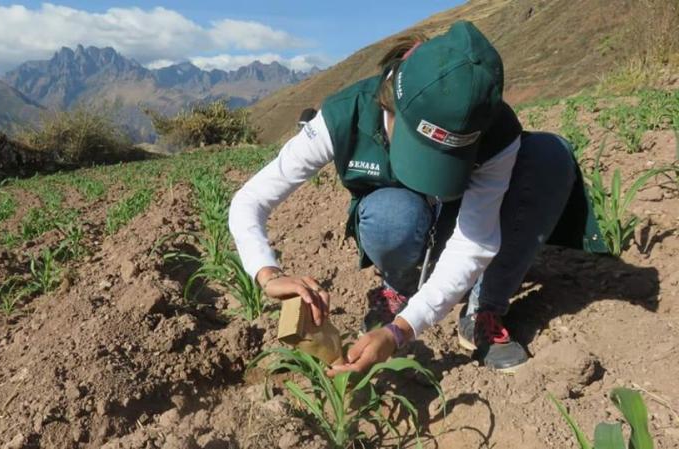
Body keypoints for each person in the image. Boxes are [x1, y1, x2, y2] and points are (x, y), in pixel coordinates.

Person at [228, 21, 608, 375]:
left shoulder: (494, 129)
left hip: (457, 221)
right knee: (391, 216)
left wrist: (399, 332)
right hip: (405, 221)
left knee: (549, 155)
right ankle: (400, 285)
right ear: (390, 105)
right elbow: (250, 201)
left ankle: (484, 308)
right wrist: (268, 273)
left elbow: (473, 241)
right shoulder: (346, 114)